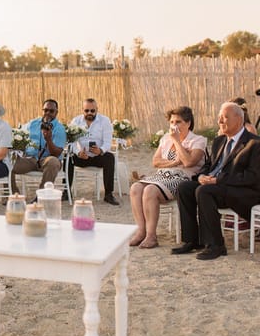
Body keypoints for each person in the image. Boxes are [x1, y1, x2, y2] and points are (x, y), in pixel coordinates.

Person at [172, 102, 260, 260]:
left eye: (225, 117)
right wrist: (201, 177)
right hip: (216, 186)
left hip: (242, 191)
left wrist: (218, 180)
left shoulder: (254, 143)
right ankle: (193, 240)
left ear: (239, 120)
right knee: (184, 187)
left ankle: (216, 245)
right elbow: (208, 166)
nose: (220, 121)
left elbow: (252, 177)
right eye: (219, 117)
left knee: (203, 191)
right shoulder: (220, 141)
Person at [129, 106, 207, 249]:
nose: (174, 126)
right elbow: (156, 162)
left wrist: (177, 141)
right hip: (161, 175)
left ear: (188, 123)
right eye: (172, 122)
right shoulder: (166, 138)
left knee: (150, 190)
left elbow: (189, 162)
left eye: (178, 122)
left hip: (182, 179)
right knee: (135, 188)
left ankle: (151, 236)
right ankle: (141, 231)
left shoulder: (198, 140)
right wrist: (176, 162)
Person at [67, 98, 120, 205]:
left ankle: (108, 194)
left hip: (98, 157)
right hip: (82, 156)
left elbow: (108, 142)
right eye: (87, 111)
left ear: (97, 109)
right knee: (68, 157)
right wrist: (78, 152)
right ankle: (66, 192)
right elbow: (71, 142)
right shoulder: (76, 121)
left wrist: (100, 150)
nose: (89, 113)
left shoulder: (105, 121)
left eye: (92, 110)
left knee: (109, 157)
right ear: (83, 110)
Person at [10, 99, 66, 195]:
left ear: (56, 112)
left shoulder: (59, 128)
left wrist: (48, 140)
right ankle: (14, 194)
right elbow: (19, 134)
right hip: (30, 159)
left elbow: (56, 153)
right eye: (45, 110)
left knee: (53, 161)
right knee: (7, 161)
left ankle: (41, 195)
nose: (48, 113)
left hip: (47, 160)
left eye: (51, 111)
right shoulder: (32, 124)